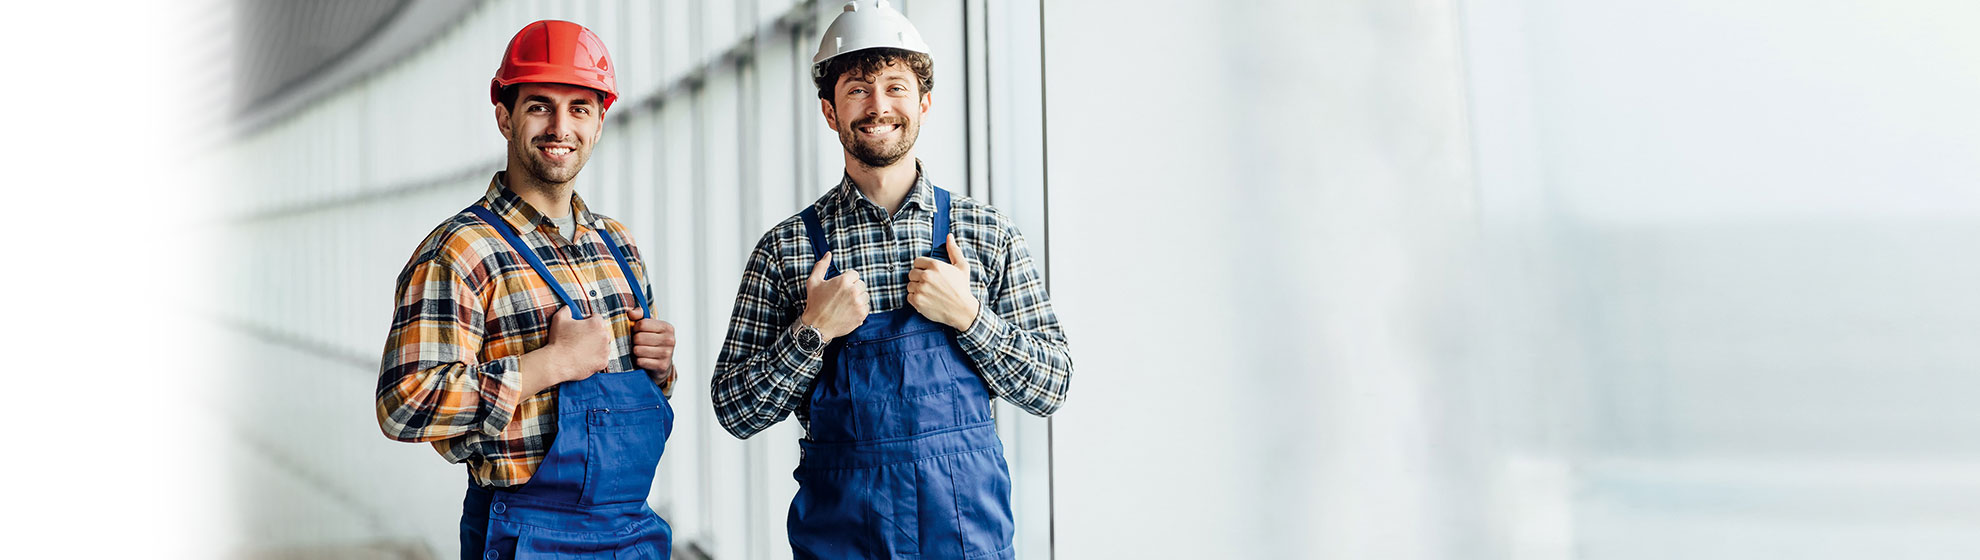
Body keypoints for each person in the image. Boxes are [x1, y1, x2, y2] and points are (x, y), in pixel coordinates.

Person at [711, 2, 1074, 558]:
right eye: (857, 88)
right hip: (843, 539)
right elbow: (734, 410)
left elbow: (1053, 386)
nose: (878, 106)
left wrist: (970, 318)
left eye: (896, 86)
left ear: (924, 103)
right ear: (830, 112)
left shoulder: (986, 233)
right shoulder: (786, 251)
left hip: (965, 537)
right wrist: (811, 331)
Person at [374, 20, 680, 559]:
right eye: (540, 105)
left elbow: (629, 402)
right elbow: (404, 403)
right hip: (529, 536)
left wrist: (661, 370)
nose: (560, 126)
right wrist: (548, 365)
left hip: (633, 534)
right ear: (504, 116)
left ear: (600, 121)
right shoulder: (463, 250)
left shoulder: (619, 245)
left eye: (579, 108)